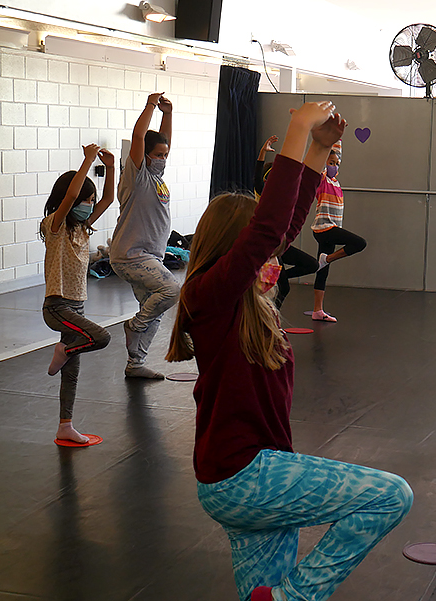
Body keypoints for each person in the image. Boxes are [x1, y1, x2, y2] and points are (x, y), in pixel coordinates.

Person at [166, 101, 412, 601]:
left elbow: (285, 226)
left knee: (261, 588)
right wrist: (298, 127)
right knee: (390, 496)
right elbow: (270, 230)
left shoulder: (249, 305)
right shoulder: (210, 296)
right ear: (234, 249)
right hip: (245, 476)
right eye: (262, 251)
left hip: (251, 475)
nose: (274, 258)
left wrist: (319, 150)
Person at [41, 144, 115, 443]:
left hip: (77, 308)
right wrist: (86, 161)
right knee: (101, 337)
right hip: (58, 307)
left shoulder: (83, 228)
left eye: (90, 200)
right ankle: (64, 350)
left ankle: (65, 425)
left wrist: (110, 167)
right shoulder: (55, 225)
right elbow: (70, 196)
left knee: (71, 374)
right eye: (84, 200)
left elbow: (109, 198)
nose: (88, 204)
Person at [109, 92, 179, 379]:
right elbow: (139, 136)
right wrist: (151, 106)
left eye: (165, 155)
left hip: (150, 256)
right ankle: (135, 324)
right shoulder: (136, 176)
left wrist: (168, 114)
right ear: (144, 156)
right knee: (171, 290)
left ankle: (135, 363)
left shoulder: (158, 179)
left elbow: (164, 141)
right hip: (130, 255)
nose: (163, 159)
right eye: (158, 155)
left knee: (155, 308)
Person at [254, 134, 319, 308]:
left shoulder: (284, 203)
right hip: (266, 247)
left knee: (311, 264)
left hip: (278, 246)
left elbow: (302, 196)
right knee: (279, 288)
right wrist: (262, 153)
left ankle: (271, 308)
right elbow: (258, 175)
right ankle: (268, 316)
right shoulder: (261, 192)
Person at [310, 142, 367, 322]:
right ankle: (326, 259)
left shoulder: (336, 182)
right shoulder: (323, 180)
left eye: (336, 164)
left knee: (322, 271)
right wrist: (332, 138)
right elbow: (322, 159)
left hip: (332, 229)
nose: (334, 166)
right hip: (324, 228)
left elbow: (338, 154)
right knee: (359, 243)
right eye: (331, 163)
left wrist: (340, 138)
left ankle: (317, 310)